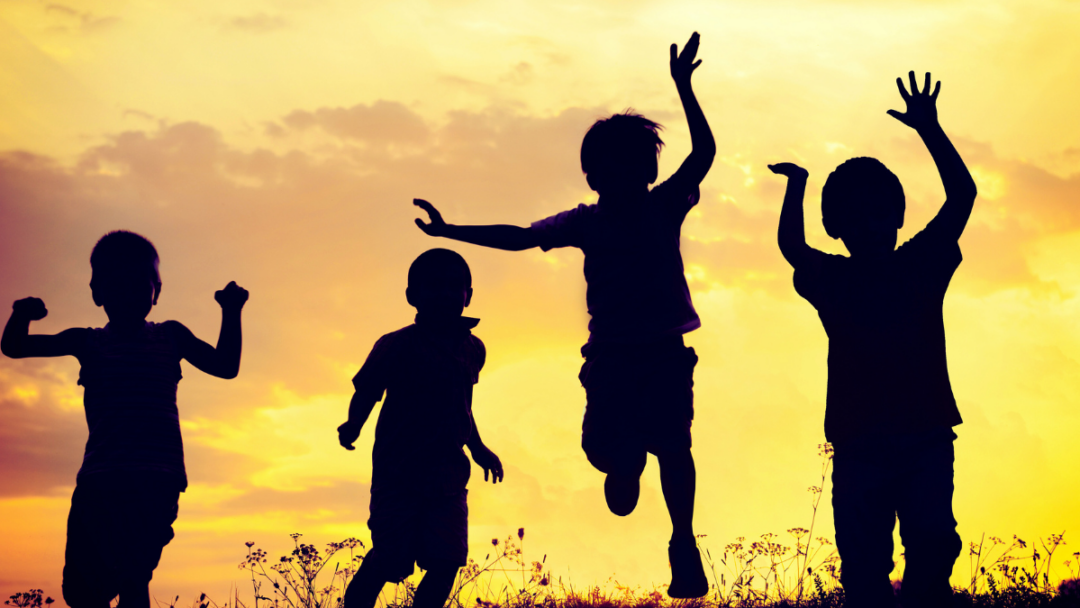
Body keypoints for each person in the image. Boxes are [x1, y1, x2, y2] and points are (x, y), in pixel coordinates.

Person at [411, 32, 715, 599]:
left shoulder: (664, 205)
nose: (623, 176)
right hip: (611, 358)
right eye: (610, 168)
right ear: (592, 177)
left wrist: (684, 88)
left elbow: (702, 156)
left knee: (675, 443)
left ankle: (682, 541)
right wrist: (450, 230)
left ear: (648, 172)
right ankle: (624, 464)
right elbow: (520, 237)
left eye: (634, 165)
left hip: (665, 352)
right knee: (604, 453)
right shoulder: (584, 223)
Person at [770, 72, 978, 608]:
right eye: (852, 219)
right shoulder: (845, 279)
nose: (866, 226)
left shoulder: (918, 265)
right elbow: (793, 247)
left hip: (924, 438)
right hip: (862, 446)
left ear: (897, 216)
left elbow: (963, 196)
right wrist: (796, 185)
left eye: (876, 214)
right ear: (837, 227)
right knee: (864, 568)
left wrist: (930, 129)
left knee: (929, 552)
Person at [1, 230, 249, 608]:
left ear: (157, 291)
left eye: (139, 284)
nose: (130, 294)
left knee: (135, 576)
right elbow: (15, 348)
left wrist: (231, 311)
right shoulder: (88, 342)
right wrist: (21, 315)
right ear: (97, 292)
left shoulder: (171, 337)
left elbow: (226, 366)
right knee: (82, 591)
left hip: (155, 480)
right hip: (101, 479)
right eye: (117, 285)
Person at [337, 248, 503, 608]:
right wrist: (353, 424)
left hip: (448, 477)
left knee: (447, 561)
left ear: (467, 295)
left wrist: (479, 448)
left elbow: (463, 407)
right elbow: (367, 391)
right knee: (391, 559)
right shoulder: (396, 345)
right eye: (433, 287)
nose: (443, 294)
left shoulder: (473, 348)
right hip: (399, 474)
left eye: (452, 287)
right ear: (413, 296)